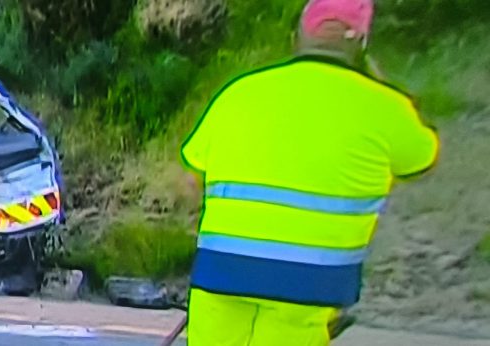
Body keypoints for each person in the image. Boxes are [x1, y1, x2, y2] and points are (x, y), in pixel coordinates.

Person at [179, 0, 439, 345]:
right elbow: (422, 162)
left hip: (223, 269)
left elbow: (191, 178)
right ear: (361, 43)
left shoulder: (240, 92)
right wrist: (382, 87)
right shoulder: (387, 107)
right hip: (308, 280)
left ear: (299, 35)